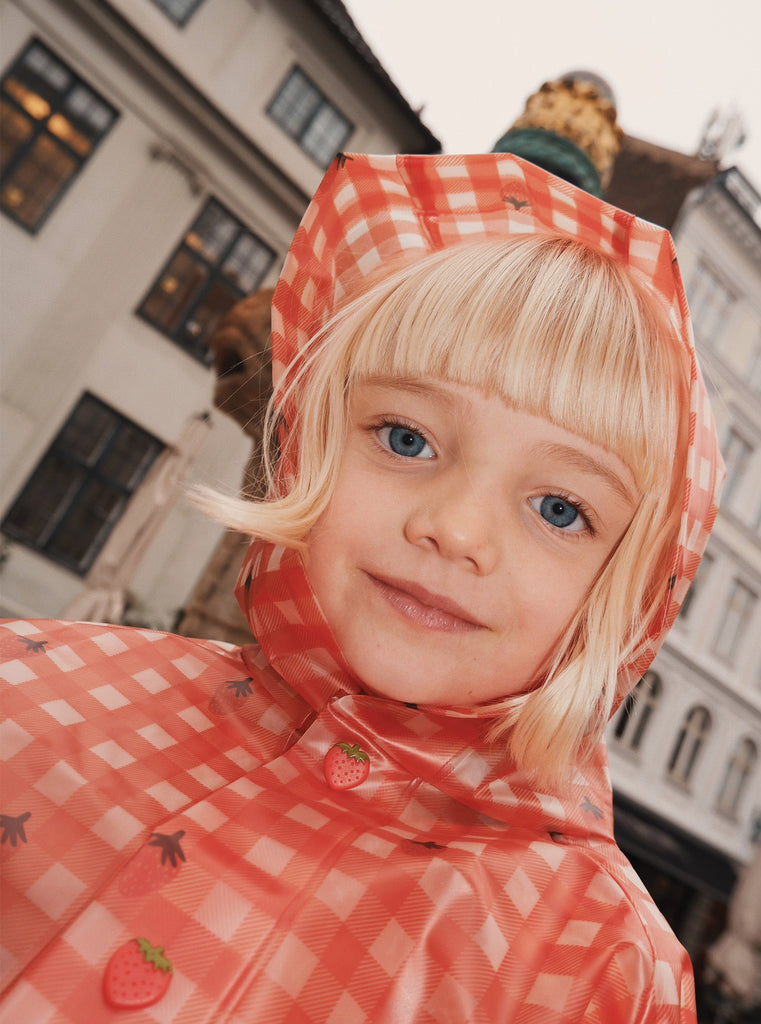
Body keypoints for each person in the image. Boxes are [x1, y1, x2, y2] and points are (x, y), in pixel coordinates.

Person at [0, 153, 722, 1023]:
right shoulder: (37, 699)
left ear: (630, 591)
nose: (455, 529)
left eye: (561, 509)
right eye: (407, 438)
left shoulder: (600, 974)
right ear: (310, 439)